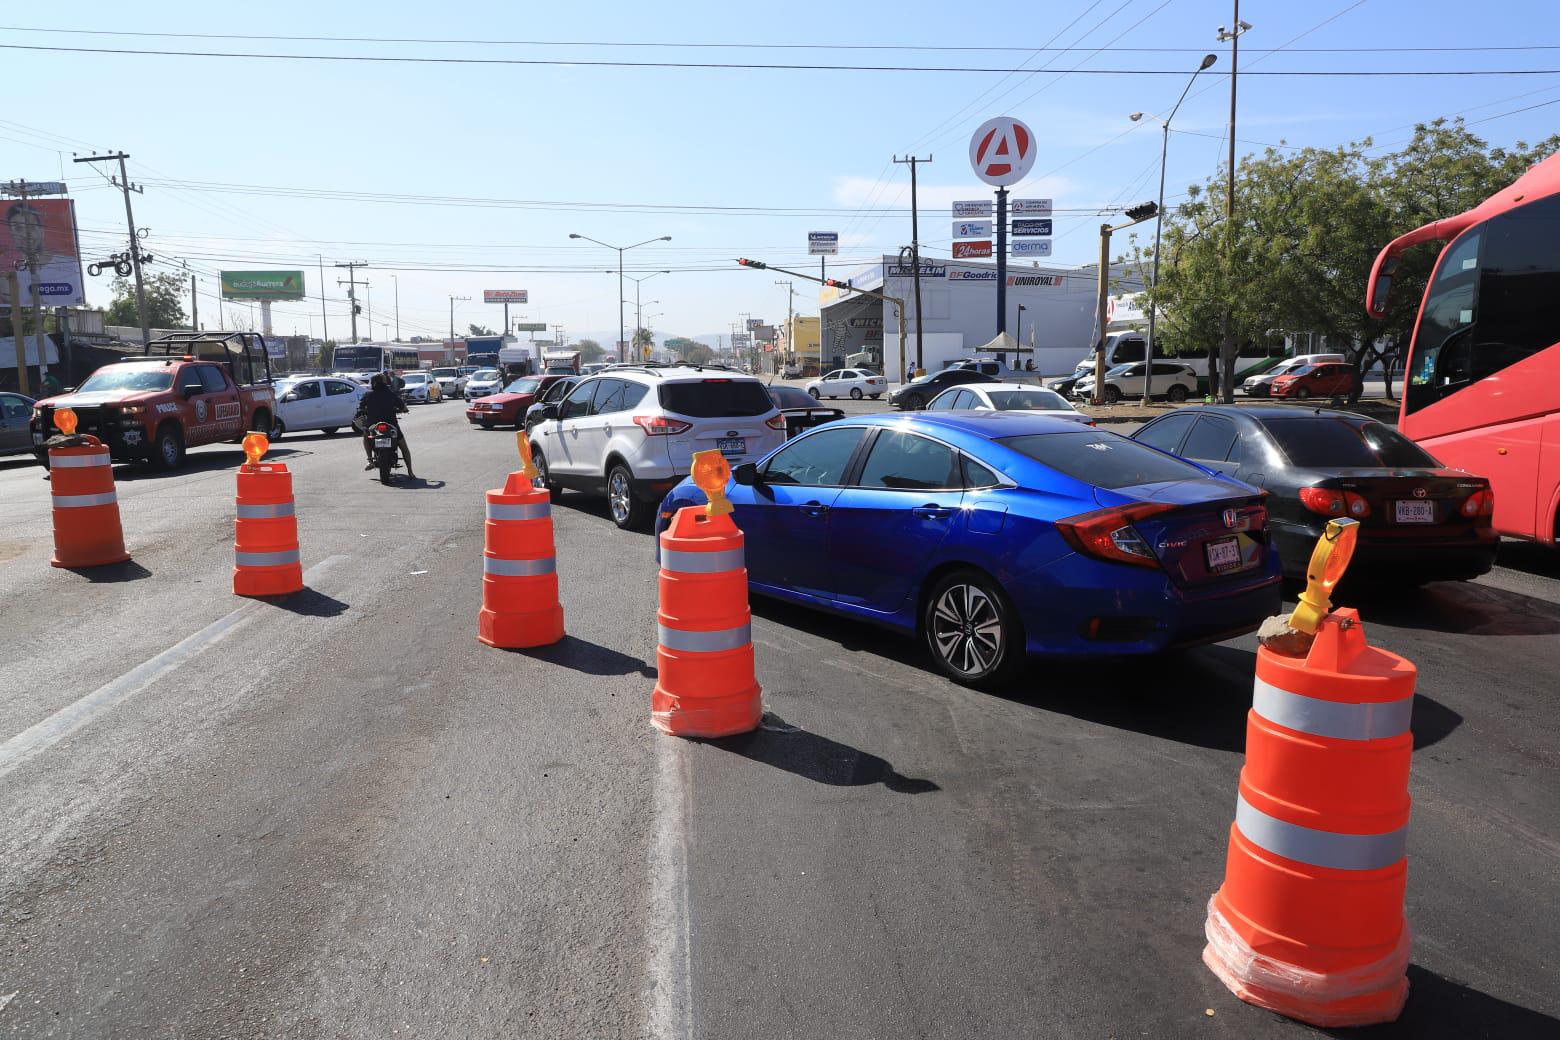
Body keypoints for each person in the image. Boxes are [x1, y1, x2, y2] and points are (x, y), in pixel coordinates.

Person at [358, 373, 416, 479]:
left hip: (373, 426)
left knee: (366, 435)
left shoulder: (368, 395)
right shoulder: (391, 394)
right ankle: (410, 472)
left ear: (374, 383)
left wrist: (365, 411)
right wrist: (404, 410)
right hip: (391, 425)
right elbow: (403, 406)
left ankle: (370, 460)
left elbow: (360, 407)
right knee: (404, 448)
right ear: (384, 382)